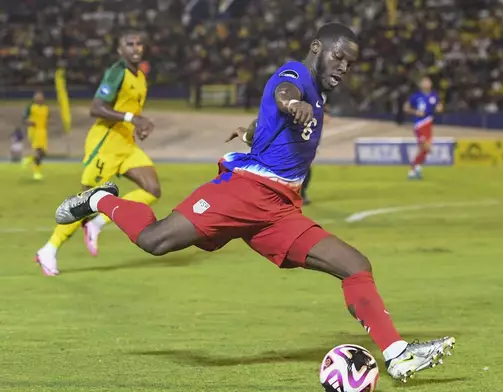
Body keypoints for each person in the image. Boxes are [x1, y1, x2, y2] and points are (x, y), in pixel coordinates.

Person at [53, 23, 455, 382]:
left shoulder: (318, 93)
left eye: (349, 64)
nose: (343, 68)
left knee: (355, 266)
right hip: (243, 192)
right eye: (338, 57)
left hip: (279, 211)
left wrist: (249, 132)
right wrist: (290, 103)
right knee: (155, 241)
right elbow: (284, 92)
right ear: (317, 47)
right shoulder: (296, 76)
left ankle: (397, 355)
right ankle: (103, 200)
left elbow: (271, 125)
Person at [36, 31, 158, 275]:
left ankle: (98, 223)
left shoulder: (141, 77)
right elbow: (97, 108)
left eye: (139, 43)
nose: (136, 48)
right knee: (84, 202)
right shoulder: (117, 72)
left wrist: (138, 125)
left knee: (152, 189)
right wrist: (133, 118)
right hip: (104, 146)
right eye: (129, 44)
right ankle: (49, 249)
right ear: (120, 50)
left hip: (126, 146)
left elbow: (129, 110)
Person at [403, 76, 442, 179]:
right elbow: (406, 108)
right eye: (425, 82)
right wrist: (415, 112)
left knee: (424, 149)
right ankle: (412, 168)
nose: (427, 84)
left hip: (429, 123)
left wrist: (439, 108)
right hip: (419, 124)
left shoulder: (434, 96)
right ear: (420, 85)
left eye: (429, 82)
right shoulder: (415, 96)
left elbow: (439, 106)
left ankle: (417, 168)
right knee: (426, 147)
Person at [23, 90, 49, 180]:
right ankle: (36, 172)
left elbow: (46, 119)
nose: (39, 98)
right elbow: (24, 119)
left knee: (43, 153)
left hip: (43, 132)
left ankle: (29, 159)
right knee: (39, 151)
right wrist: (29, 122)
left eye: (40, 96)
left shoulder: (46, 108)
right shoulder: (31, 107)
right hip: (34, 131)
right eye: (37, 97)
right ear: (34, 98)